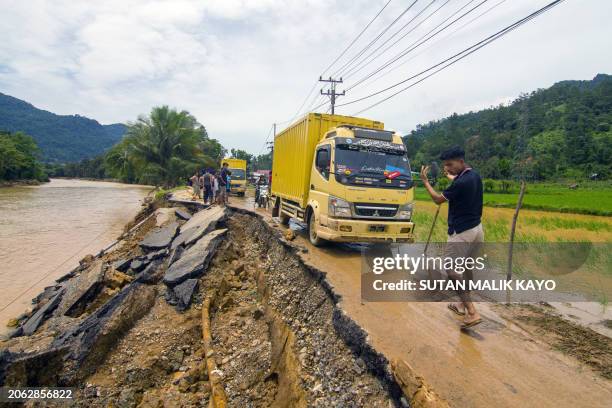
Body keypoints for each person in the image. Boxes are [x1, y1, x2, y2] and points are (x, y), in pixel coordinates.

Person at [420, 146, 484, 329]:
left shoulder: (460, 183)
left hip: (461, 232)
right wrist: (450, 177)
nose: (447, 168)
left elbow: (437, 199)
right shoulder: (473, 176)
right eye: (445, 165)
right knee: (466, 268)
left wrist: (425, 182)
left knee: (451, 270)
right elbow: (456, 180)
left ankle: (472, 312)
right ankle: (462, 305)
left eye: (450, 164)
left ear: (461, 162)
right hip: (477, 230)